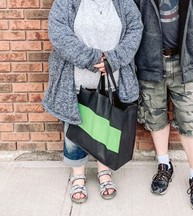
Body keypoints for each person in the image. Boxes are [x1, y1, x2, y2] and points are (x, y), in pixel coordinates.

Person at [42, 0, 143, 203]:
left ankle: (104, 171)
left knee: (107, 127)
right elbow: (58, 32)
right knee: (75, 130)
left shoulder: (123, 3)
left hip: (111, 81)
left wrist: (113, 59)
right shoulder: (67, 2)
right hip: (76, 81)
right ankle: (78, 176)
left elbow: (135, 28)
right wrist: (92, 59)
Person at [134, 0, 193, 212]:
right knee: (155, 117)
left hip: (185, 63)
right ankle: (164, 164)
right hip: (150, 63)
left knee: (190, 121)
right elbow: (128, 22)